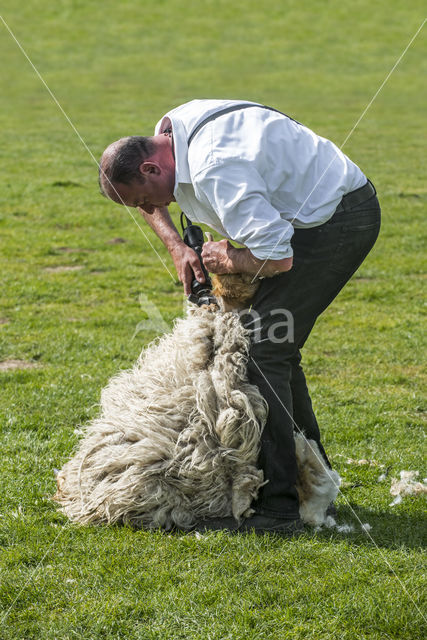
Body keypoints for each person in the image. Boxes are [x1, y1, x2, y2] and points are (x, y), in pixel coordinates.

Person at [99, 99, 381, 535]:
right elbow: (153, 204)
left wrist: (228, 257)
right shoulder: (167, 135)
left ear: (153, 169)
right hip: (295, 220)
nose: (147, 207)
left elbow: (278, 257)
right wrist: (178, 245)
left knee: (262, 348)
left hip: (337, 221)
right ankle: (313, 479)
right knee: (273, 347)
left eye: (141, 197)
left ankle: (280, 509)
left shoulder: (216, 168)